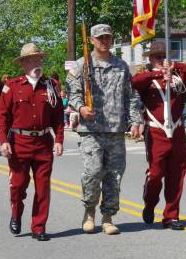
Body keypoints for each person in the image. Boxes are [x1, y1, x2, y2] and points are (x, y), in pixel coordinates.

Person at [65, 24, 141, 235]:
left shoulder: (121, 66)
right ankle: (89, 212)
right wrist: (80, 107)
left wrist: (135, 121)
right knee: (93, 173)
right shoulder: (81, 66)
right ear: (91, 40)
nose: (104, 41)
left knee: (114, 176)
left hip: (115, 130)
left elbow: (132, 96)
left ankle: (107, 217)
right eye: (100, 38)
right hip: (90, 130)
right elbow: (72, 92)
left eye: (107, 37)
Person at [0, 43, 64, 241]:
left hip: (43, 144)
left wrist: (59, 139)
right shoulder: (12, 87)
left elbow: (59, 116)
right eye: (33, 59)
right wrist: (3, 142)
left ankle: (39, 226)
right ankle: (16, 214)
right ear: (24, 63)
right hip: (19, 144)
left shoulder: (51, 85)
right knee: (18, 185)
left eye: (39, 58)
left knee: (43, 188)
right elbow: (2, 117)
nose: (37, 62)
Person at [132, 41, 186, 230]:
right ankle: (150, 203)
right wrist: (158, 73)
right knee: (156, 174)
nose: (161, 59)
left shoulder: (178, 78)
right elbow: (135, 82)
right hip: (156, 131)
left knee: (176, 174)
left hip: (177, 131)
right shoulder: (146, 79)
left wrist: (175, 67)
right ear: (151, 60)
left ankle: (171, 216)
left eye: (164, 56)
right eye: (157, 57)